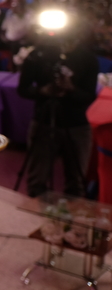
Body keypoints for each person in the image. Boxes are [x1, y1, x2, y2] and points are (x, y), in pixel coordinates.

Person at [17, 13, 99, 198]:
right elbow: (22, 89)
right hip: (44, 122)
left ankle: (73, 215)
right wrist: (43, 91)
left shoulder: (87, 58)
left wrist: (71, 89)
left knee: (77, 183)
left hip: (77, 124)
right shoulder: (37, 55)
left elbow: (89, 96)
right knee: (36, 182)